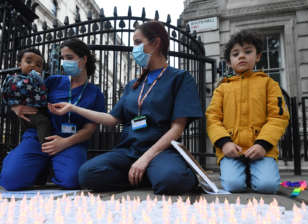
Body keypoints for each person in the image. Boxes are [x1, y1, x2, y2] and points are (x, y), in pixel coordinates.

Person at [49, 21, 203, 194]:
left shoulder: (180, 78)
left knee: (172, 180)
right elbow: (112, 119)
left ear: (156, 43)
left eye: (138, 42)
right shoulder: (134, 85)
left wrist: (146, 158)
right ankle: (148, 176)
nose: (134, 48)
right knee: (87, 174)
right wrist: (72, 108)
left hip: (161, 150)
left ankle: (158, 172)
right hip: (129, 151)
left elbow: (177, 128)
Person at [0, 39, 105, 190]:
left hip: (70, 141)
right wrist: (16, 107)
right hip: (37, 137)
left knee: (71, 180)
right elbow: (24, 94)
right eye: (62, 58)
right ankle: (38, 165)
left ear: (84, 59)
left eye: (69, 57)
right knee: (11, 180)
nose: (64, 62)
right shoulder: (53, 81)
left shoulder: (96, 94)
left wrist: (64, 143)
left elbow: (89, 130)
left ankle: (50, 166)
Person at [205, 30, 290, 194]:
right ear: (229, 62)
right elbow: (212, 118)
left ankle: (255, 174)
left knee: (268, 186)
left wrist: (263, 144)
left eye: (248, 51)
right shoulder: (222, 88)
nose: (241, 56)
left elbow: (278, 117)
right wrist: (225, 143)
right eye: (236, 54)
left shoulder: (269, 84)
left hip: (262, 150)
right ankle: (244, 175)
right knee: (233, 186)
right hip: (231, 150)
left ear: (258, 56)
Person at [1, 48, 51, 144]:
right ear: (20, 64)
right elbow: (20, 88)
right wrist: (35, 79)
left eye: (38, 65)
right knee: (43, 122)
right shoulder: (15, 78)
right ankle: (46, 145)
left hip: (36, 111)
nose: (33, 65)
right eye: (28, 61)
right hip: (28, 112)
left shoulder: (39, 80)